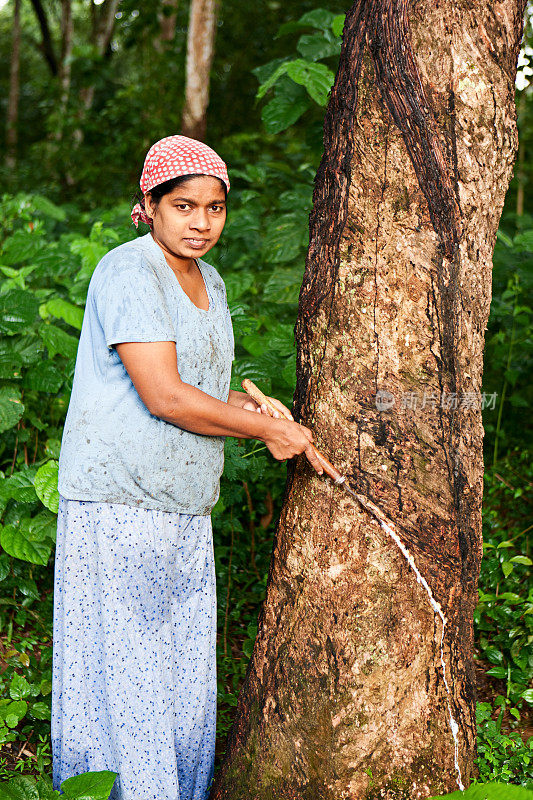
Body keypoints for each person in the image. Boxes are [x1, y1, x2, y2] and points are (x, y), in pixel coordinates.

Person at [52, 134, 324, 800]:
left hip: (181, 501)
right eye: (183, 206)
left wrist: (261, 414)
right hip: (119, 500)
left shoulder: (211, 279)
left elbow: (196, 387)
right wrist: (261, 428)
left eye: (214, 208)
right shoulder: (128, 270)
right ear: (148, 204)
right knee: (125, 672)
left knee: (176, 674)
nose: (200, 222)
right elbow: (164, 396)